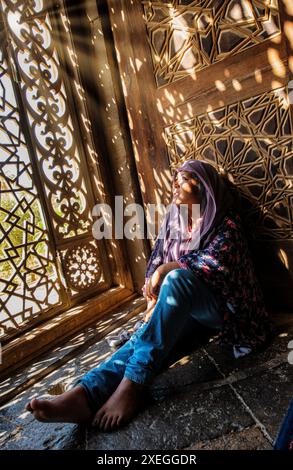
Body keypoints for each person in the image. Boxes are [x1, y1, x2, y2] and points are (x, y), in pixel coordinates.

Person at [26, 160, 272, 431]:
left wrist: (169, 268)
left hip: (220, 311)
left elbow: (217, 264)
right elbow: (157, 258)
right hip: (183, 311)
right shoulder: (175, 221)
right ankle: (85, 395)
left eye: (185, 178)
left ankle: (133, 385)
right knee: (145, 340)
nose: (176, 183)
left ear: (203, 188)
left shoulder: (225, 222)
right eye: (175, 179)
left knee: (177, 279)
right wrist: (153, 298)